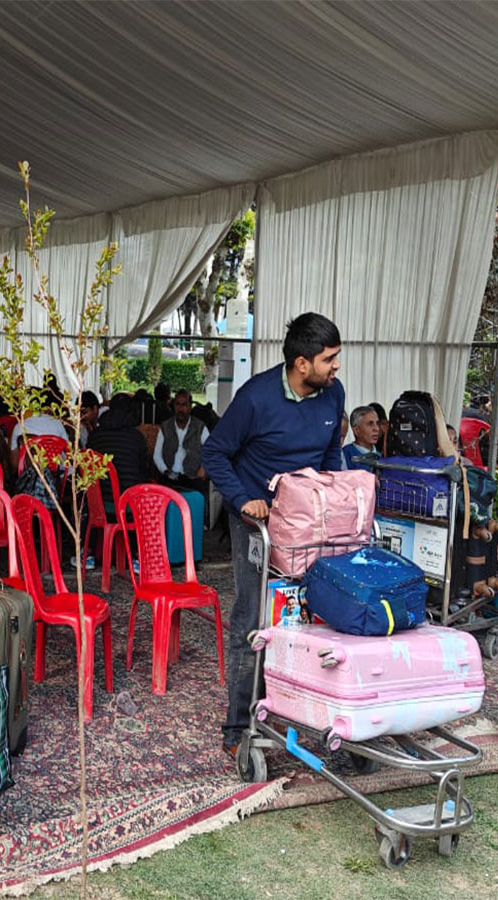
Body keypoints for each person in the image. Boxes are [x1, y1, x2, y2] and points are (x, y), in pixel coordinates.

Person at [202, 311, 345, 761]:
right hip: (256, 523)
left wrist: (337, 495)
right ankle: (238, 724)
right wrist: (244, 498)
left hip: (308, 519)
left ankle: (297, 703)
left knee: (310, 614)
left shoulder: (333, 394)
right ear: (302, 364)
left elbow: (331, 454)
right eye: (329, 359)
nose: (336, 367)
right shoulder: (256, 397)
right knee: (253, 617)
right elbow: (214, 453)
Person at [87, 393, 153, 490]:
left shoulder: (94, 435)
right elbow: (144, 471)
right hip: (128, 499)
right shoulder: (137, 437)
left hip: (99, 500)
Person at [153, 387, 210, 490]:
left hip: (192, 479)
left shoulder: (200, 427)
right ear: (173, 406)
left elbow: (211, 452)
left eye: (184, 405)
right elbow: (157, 455)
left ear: (190, 407)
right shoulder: (165, 427)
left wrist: (203, 469)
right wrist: (165, 471)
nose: (180, 409)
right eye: (177, 404)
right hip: (170, 478)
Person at [342, 405, 381, 469]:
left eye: (377, 423)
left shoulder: (381, 457)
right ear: (356, 430)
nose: (376, 429)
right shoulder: (344, 455)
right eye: (370, 424)